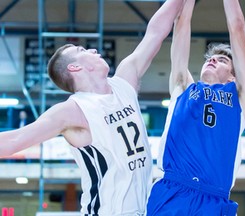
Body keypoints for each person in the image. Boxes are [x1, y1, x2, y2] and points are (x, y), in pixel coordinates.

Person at [0, 0, 185, 215]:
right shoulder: (73, 110)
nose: (94, 49)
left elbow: (155, 32)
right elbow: (12, 141)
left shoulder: (124, 82)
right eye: (82, 49)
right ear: (75, 66)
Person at [147, 0, 245, 215]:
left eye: (222, 60)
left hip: (214, 197)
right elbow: (182, 23)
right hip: (172, 190)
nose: (213, 60)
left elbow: (237, 29)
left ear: (233, 76)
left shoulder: (240, 97)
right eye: (210, 58)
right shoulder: (183, 87)